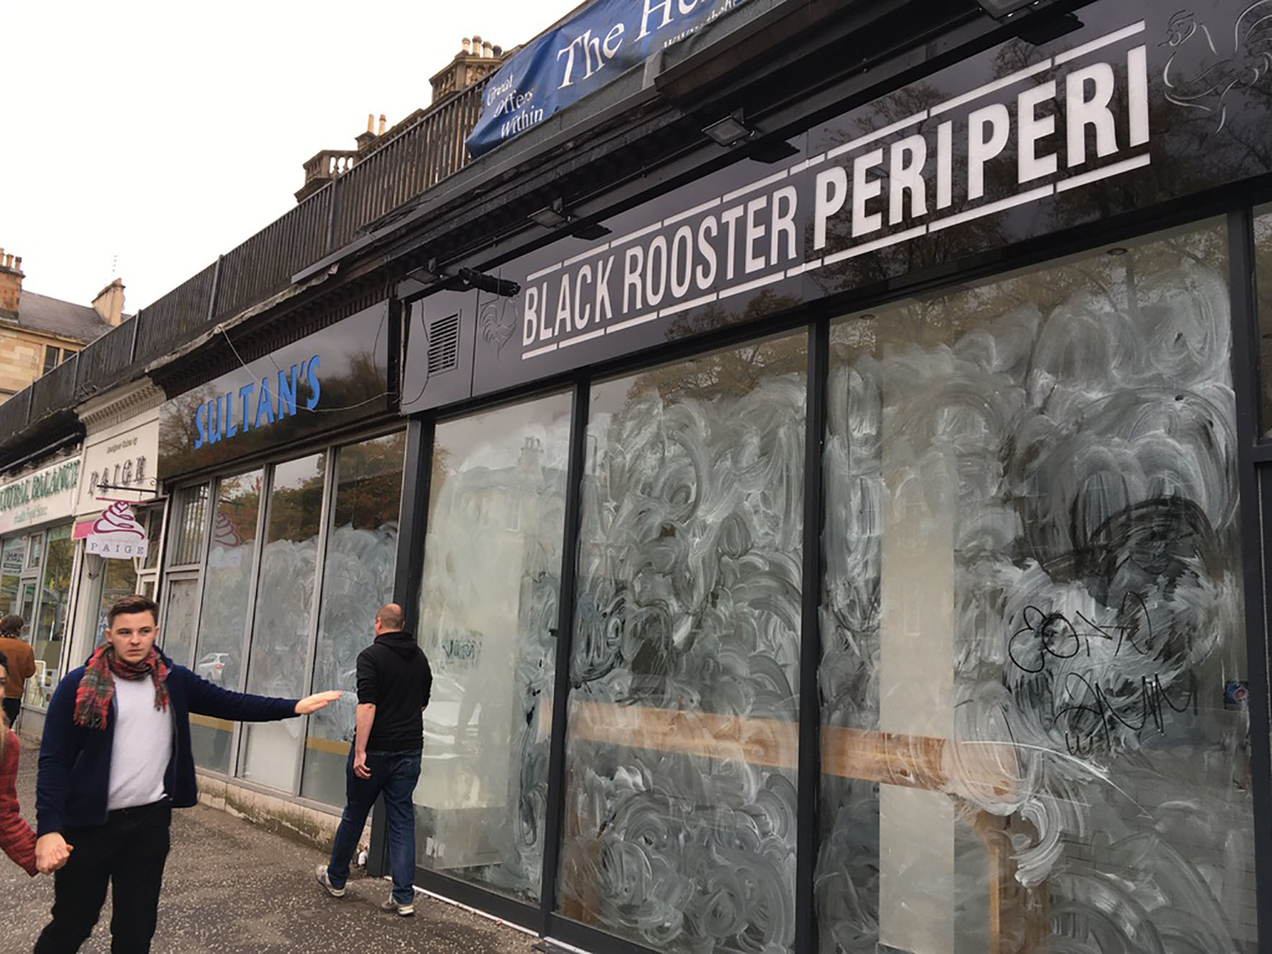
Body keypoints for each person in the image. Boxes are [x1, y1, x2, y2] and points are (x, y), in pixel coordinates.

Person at [33, 593, 341, 953]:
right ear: (109, 634)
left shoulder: (172, 680)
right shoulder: (78, 685)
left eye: (143, 631)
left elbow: (230, 703)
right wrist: (49, 829)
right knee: (73, 923)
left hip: (148, 825)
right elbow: (54, 761)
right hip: (87, 826)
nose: (135, 640)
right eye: (125, 632)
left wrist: (294, 706)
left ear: (155, 631)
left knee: (136, 930)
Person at [316, 602, 431, 916]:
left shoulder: (370, 657)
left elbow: (367, 705)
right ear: (402, 624)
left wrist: (361, 751)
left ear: (378, 623)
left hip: (376, 750)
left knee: (355, 813)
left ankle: (336, 879)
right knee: (402, 820)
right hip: (409, 750)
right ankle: (403, 897)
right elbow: (422, 704)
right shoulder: (420, 658)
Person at [0, 650, 38, 876]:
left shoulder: (6, 742)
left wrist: (38, 855)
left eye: (1, 683)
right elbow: (30, 670)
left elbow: (3, 811)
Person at [0, 614, 36, 729]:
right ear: (18, 629)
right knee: (5, 730)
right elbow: (30, 672)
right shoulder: (26, 649)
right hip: (13, 696)